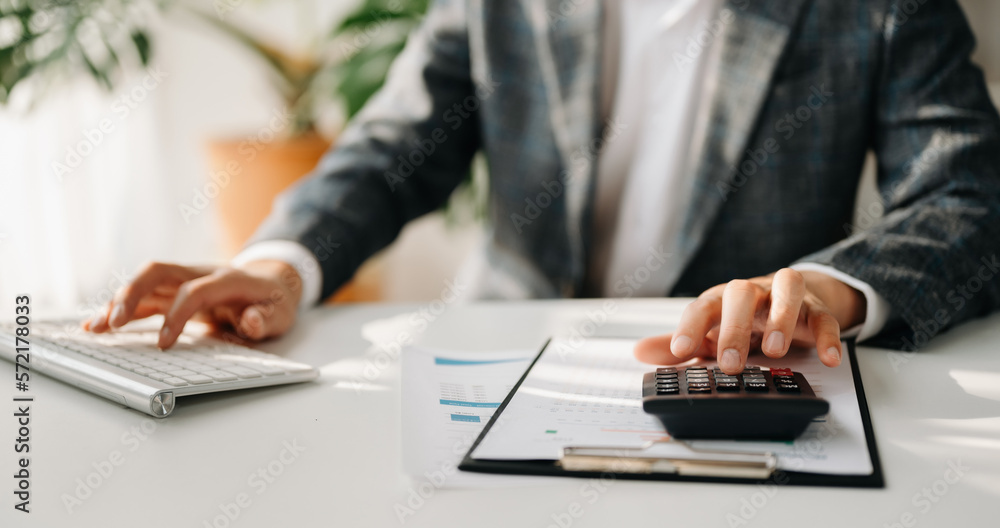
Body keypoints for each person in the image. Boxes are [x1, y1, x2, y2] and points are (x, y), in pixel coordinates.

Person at [84, 0, 1000, 375]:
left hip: (735, 386)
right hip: (496, 367)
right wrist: (284, 263)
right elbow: (395, 144)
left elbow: (971, 193)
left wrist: (836, 289)